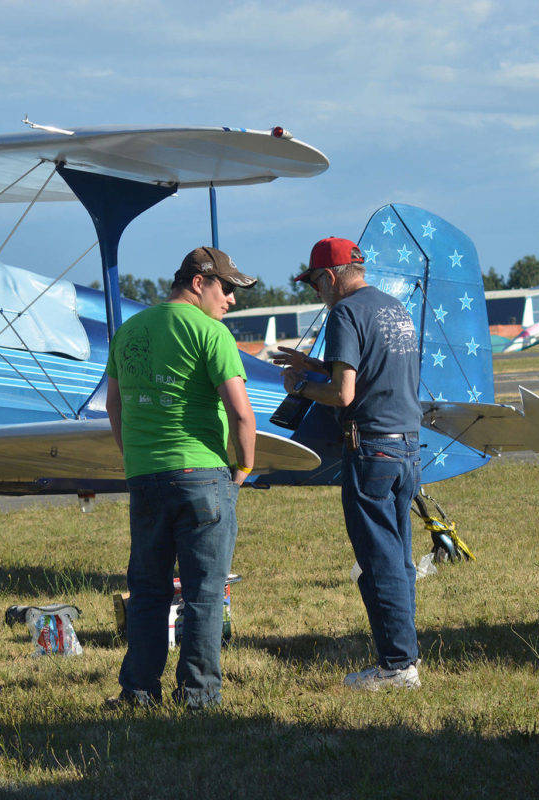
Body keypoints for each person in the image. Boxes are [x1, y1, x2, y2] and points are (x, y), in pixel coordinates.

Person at [105, 246, 257, 710]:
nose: (231, 299)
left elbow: (115, 406)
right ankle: (198, 695)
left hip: (146, 475)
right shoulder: (211, 333)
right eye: (226, 288)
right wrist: (244, 468)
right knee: (204, 593)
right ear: (199, 283)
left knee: (148, 590)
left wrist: (136, 457)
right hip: (203, 476)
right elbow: (241, 415)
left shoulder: (128, 331)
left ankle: (138, 691)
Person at [275, 237, 423, 691]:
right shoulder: (393, 307)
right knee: (399, 559)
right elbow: (370, 368)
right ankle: (405, 659)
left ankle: (396, 667)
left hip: (371, 449)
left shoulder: (344, 312)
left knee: (378, 561)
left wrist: (300, 387)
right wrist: (315, 363)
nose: (316, 292)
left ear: (331, 276)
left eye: (315, 282)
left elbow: (343, 394)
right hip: (407, 448)